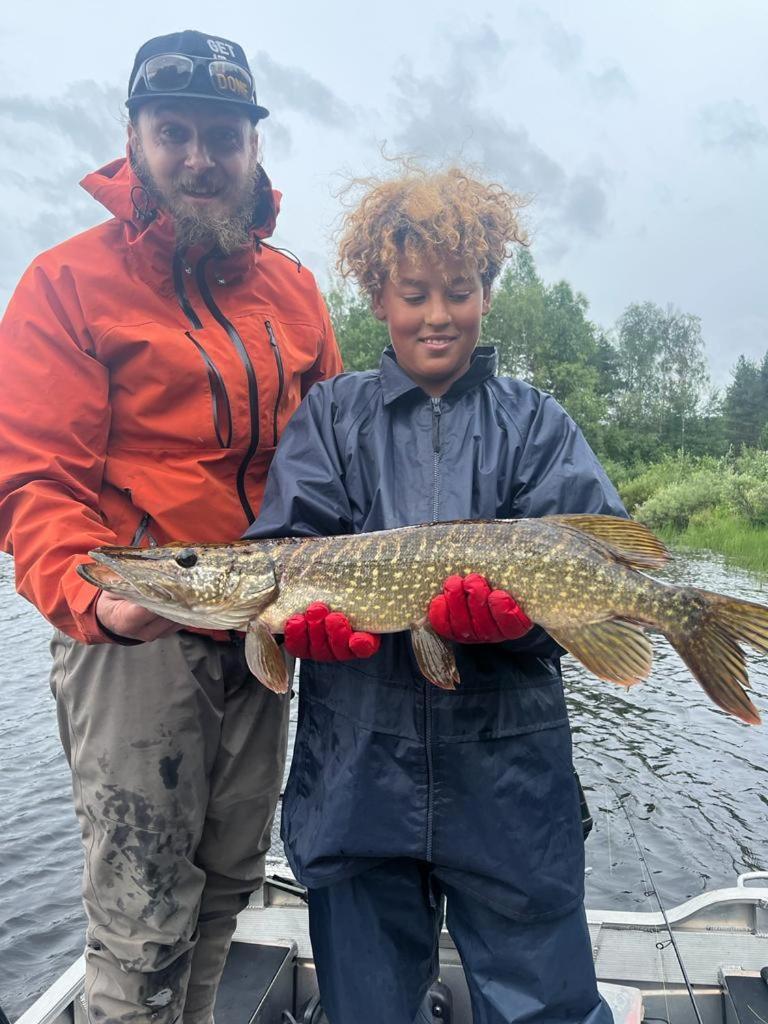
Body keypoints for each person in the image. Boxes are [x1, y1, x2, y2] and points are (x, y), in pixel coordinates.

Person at [0, 30, 343, 1024]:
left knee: (227, 886)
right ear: (135, 140)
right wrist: (90, 599)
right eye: (175, 131)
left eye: (223, 137)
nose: (201, 157)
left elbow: (322, 470)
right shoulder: (66, 285)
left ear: (254, 151)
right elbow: (35, 482)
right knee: (145, 914)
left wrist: (336, 585)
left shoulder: (297, 293)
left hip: (261, 626)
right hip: (135, 636)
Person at [246, 167, 624, 1024]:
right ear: (379, 296)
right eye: (414, 292)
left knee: (545, 1010)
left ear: (488, 291)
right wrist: (302, 627)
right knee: (369, 1009)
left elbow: (592, 584)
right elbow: (283, 550)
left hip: (509, 783)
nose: (437, 314)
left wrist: (521, 627)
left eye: (460, 290)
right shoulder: (333, 419)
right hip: (356, 782)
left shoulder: (539, 425)